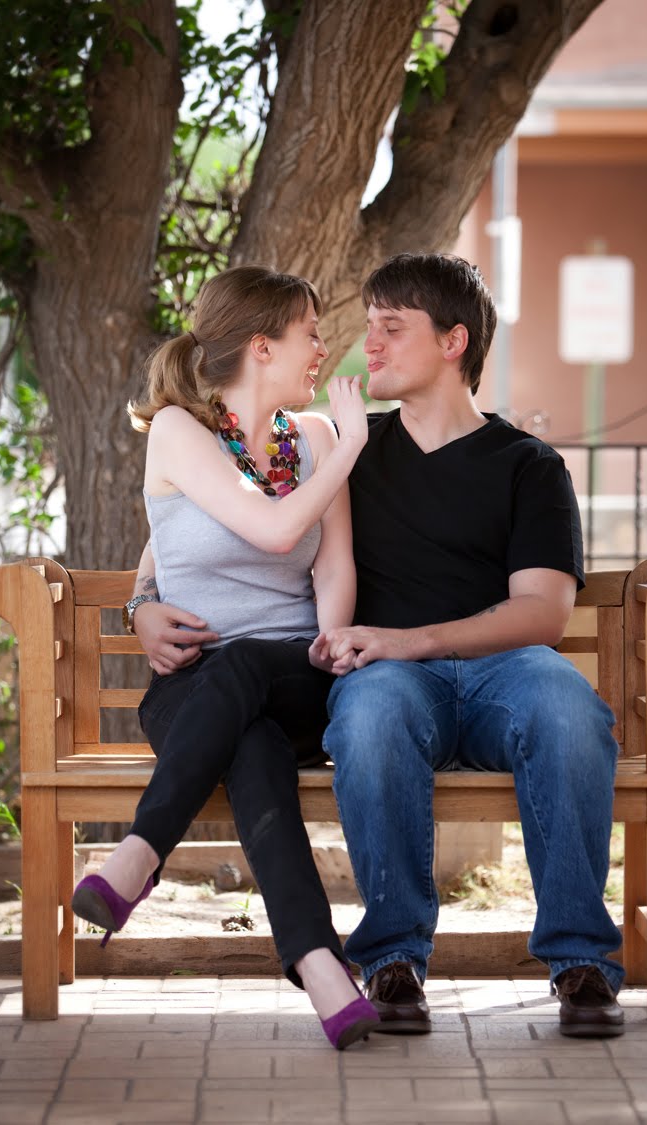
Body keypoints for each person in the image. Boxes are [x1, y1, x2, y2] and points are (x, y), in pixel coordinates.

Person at [133, 253, 626, 1041]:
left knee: (569, 709)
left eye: (391, 328)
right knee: (367, 718)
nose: (368, 345)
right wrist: (143, 602)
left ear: (454, 342)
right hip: (385, 678)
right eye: (369, 326)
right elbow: (201, 517)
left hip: (503, 670)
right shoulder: (348, 450)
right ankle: (393, 958)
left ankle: (582, 961)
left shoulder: (528, 466)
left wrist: (413, 638)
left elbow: (542, 612)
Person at [71, 264, 380, 1051]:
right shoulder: (180, 430)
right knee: (252, 744)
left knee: (247, 673)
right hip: (191, 690)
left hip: (296, 674)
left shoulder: (315, 440)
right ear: (261, 346)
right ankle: (321, 964)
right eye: (310, 333)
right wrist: (141, 606)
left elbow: (330, 564)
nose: (322, 349)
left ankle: (139, 853)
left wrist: (330, 634)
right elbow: (257, 530)